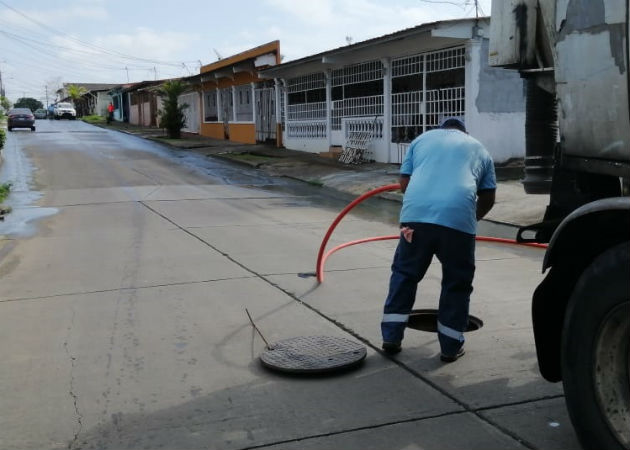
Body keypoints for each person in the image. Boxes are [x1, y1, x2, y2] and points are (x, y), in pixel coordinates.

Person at [381, 117, 496, 362]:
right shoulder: (479, 148)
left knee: (405, 274)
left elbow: (404, 181)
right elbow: (488, 196)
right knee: (456, 283)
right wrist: (471, 219)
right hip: (458, 220)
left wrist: (422, 207)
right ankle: (450, 348)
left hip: (415, 219)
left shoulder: (421, 140)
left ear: (442, 129)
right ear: (464, 132)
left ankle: (391, 337)